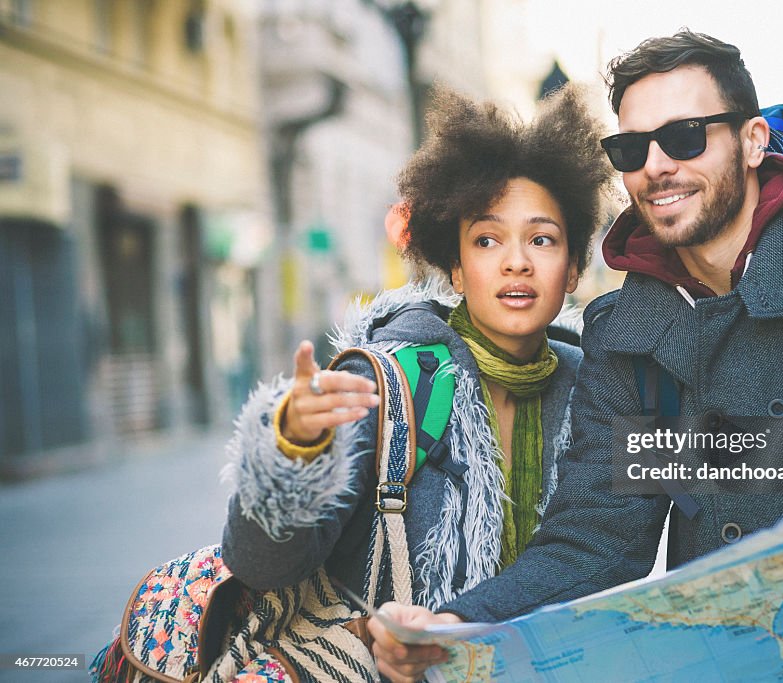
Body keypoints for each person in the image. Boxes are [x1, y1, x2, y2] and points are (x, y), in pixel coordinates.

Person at [372, 28, 783, 682]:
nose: (656, 165)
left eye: (685, 136)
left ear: (751, 142)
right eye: (632, 148)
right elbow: (599, 537)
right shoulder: (631, 336)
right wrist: (460, 622)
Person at [219, 85, 612, 678]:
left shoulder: (595, 388)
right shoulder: (387, 383)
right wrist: (293, 449)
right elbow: (262, 566)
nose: (516, 262)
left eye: (542, 239)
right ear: (455, 266)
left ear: (574, 266)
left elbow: (603, 553)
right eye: (486, 240)